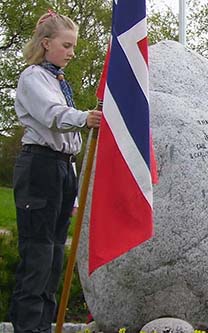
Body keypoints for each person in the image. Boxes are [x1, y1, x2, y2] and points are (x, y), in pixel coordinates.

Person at [9, 10, 102, 333]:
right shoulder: (33, 77)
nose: (72, 52)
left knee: (54, 256)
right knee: (37, 254)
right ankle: (28, 326)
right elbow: (52, 114)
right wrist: (83, 118)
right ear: (46, 43)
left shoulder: (59, 81)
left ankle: (45, 325)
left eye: (73, 46)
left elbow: (67, 130)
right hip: (40, 166)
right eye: (66, 45)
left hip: (62, 167)